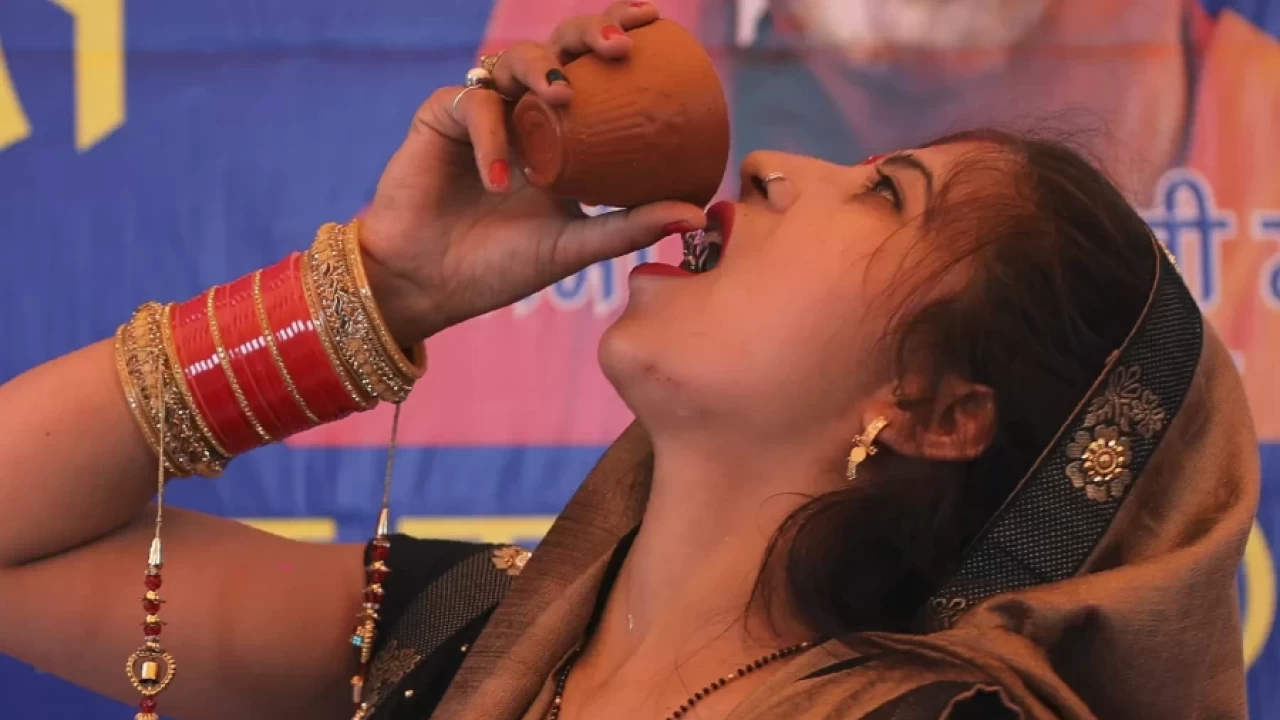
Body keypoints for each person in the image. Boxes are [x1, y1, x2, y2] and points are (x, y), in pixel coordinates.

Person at [0, 4, 1257, 720]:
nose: (770, 164)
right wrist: (382, 289)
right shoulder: (457, 630)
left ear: (934, 410)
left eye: (885, 194)